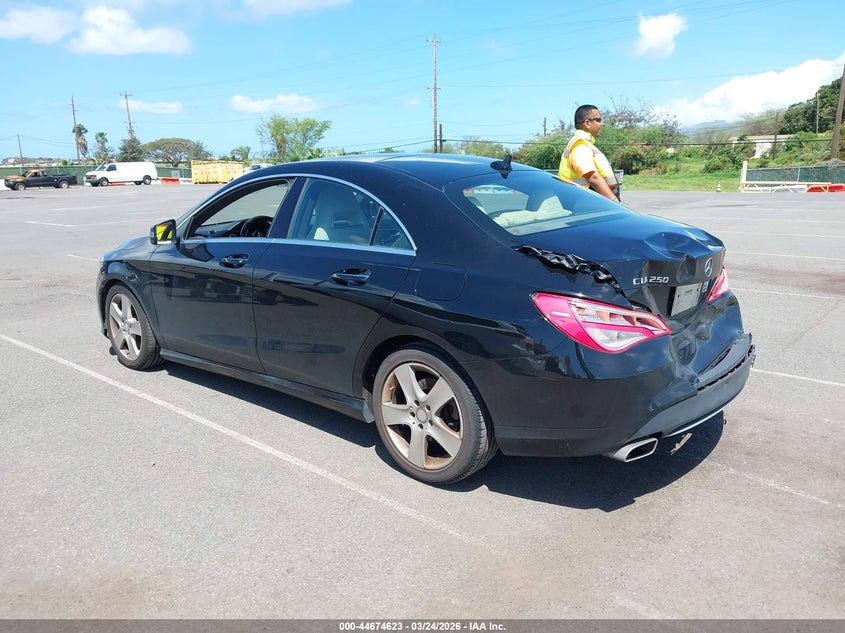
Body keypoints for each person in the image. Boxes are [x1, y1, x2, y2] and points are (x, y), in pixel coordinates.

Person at [558, 104, 620, 201]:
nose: (601, 124)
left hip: (586, 203)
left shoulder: (585, 144)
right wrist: (614, 202)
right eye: (598, 120)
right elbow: (593, 177)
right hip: (582, 204)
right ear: (587, 123)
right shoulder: (579, 145)